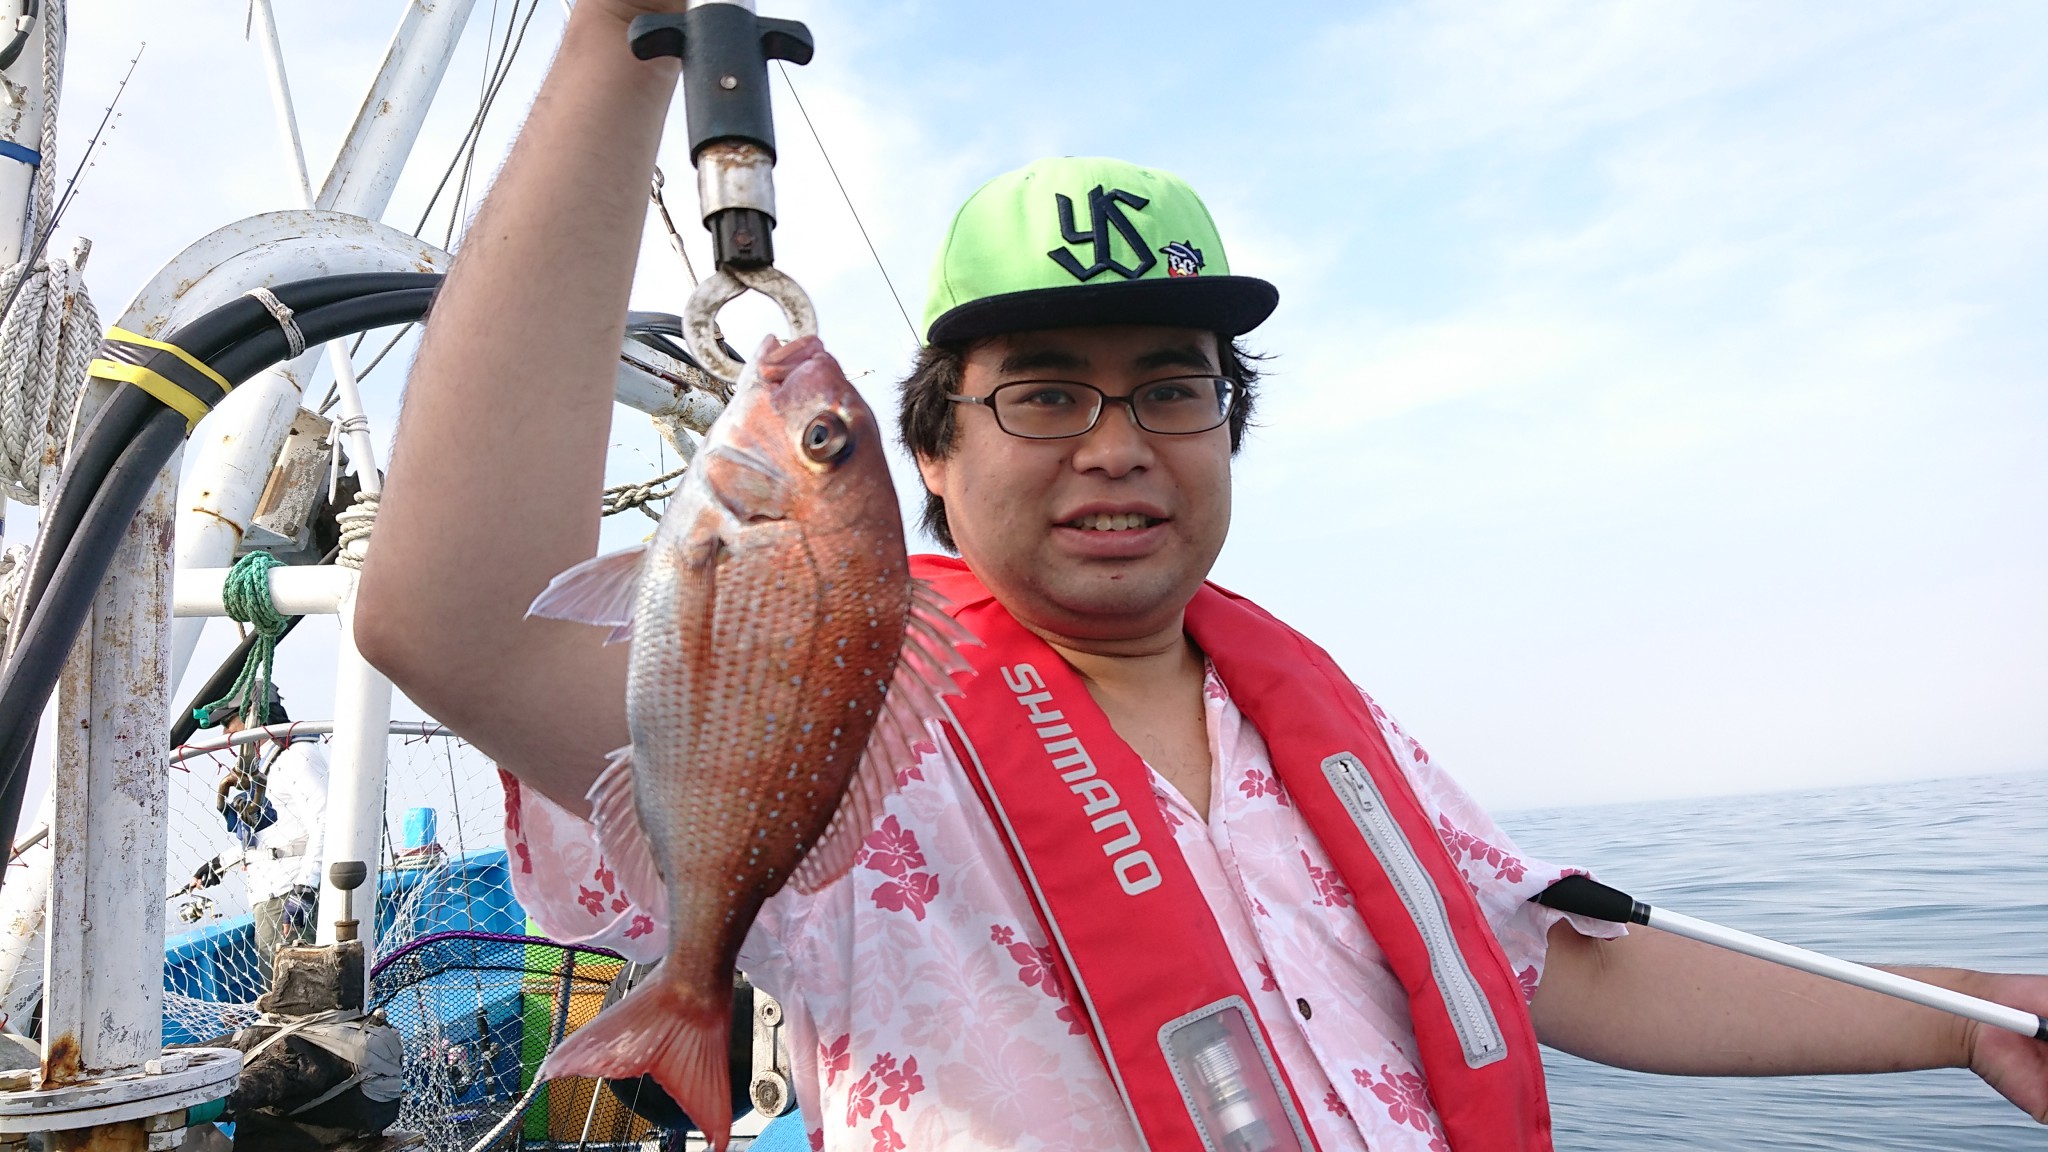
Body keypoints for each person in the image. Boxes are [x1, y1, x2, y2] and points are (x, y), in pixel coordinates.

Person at [355, 4, 2048, 1149]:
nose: (1116, 444)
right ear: (928, 458)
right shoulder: (855, 705)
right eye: (1042, 393)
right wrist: (619, 35)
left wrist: (1970, 1014)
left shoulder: (1312, 718)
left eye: (1171, 388)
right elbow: (452, 622)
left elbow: (1560, 963)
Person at [186, 684, 330, 979]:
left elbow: (326, 821)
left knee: (294, 995)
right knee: (276, 990)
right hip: (270, 897)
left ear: (253, 715)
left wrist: (305, 889)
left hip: (289, 896)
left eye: (229, 722)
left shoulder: (296, 757)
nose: (226, 733)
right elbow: (277, 836)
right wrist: (220, 863)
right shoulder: (267, 765)